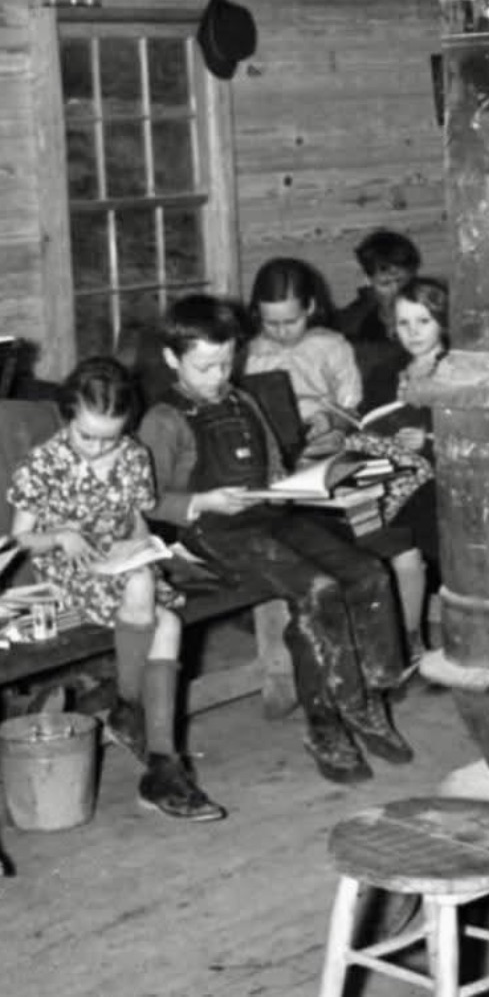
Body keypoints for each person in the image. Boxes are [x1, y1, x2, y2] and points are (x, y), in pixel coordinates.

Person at [138, 295, 413, 784]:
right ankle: (326, 723)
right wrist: (203, 502)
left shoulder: (243, 400)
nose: (219, 376)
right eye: (204, 367)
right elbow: (147, 498)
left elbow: (273, 468)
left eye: (227, 363)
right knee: (317, 590)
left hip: (267, 515)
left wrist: (296, 483)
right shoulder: (164, 419)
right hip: (211, 531)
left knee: (367, 572)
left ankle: (367, 696)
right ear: (171, 359)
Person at [7, 357, 224, 821]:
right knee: (148, 593)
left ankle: (160, 759)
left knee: (165, 620)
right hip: (68, 567)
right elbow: (20, 537)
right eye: (87, 436)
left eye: (111, 437)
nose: (98, 449)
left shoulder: (131, 454)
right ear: (67, 418)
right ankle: (133, 716)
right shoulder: (44, 462)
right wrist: (61, 535)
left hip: (120, 563)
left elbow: (137, 516)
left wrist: (140, 540)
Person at [371, 277, 449, 662]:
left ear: (443, 322)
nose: (413, 332)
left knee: (406, 529)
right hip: (391, 475)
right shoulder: (386, 372)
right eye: (404, 323)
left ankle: (411, 636)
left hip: (442, 479)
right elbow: (367, 421)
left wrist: (429, 439)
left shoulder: (455, 369)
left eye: (424, 321)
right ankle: (404, 639)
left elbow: (474, 429)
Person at [245, 257, 361, 443]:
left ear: (310, 307)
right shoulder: (251, 354)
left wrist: (331, 420)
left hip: (328, 438)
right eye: (271, 323)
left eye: (291, 322)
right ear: (258, 313)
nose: (282, 332)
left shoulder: (332, 347)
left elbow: (352, 409)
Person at [336, 229, 422, 384]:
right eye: (385, 284)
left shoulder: (431, 312)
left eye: (402, 281)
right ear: (367, 280)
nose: (396, 290)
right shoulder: (350, 325)